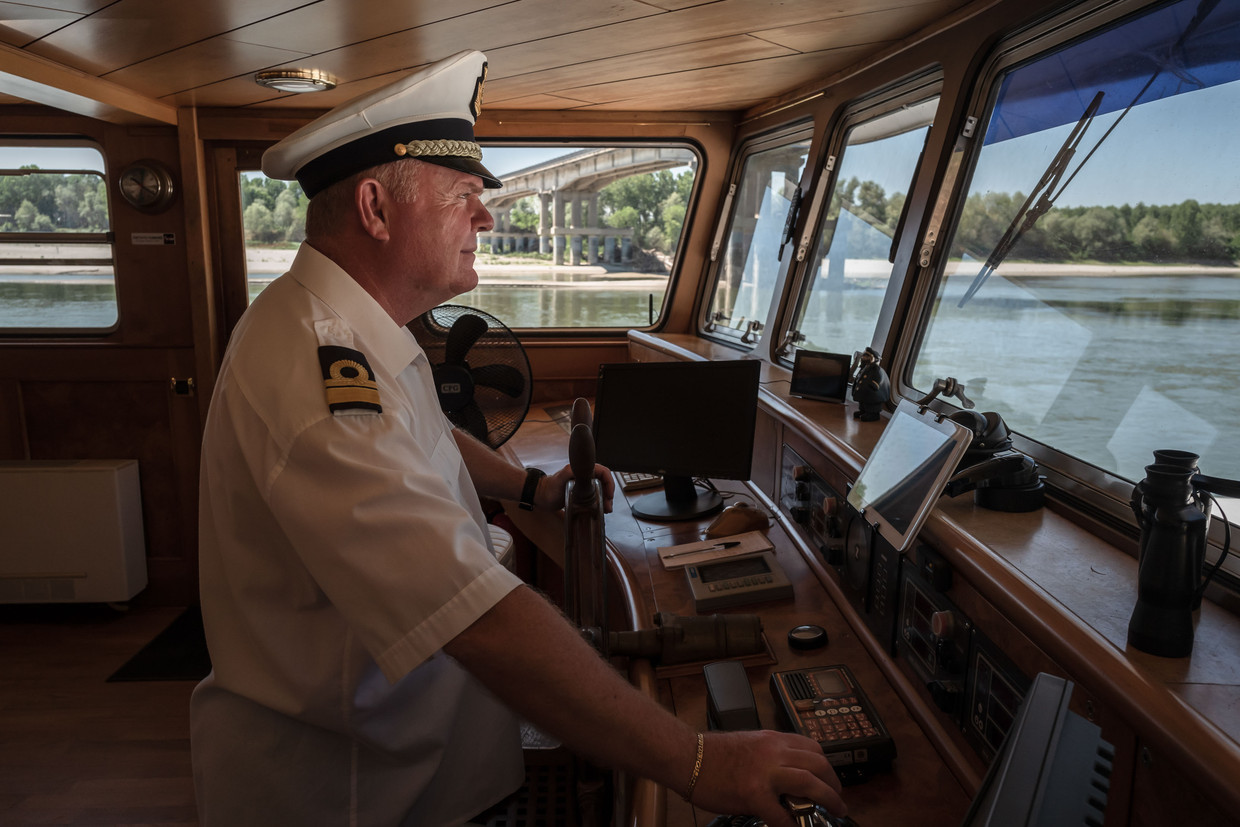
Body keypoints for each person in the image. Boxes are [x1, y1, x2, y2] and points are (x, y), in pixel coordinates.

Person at [190, 49, 845, 827]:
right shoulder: (319, 374)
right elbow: (478, 618)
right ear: (376, 208)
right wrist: (699, 761)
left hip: (405, 760)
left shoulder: (350, 334)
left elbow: (427, 432)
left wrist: (532, 488)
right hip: (360, 791)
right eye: (464, 195)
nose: (488, 217)